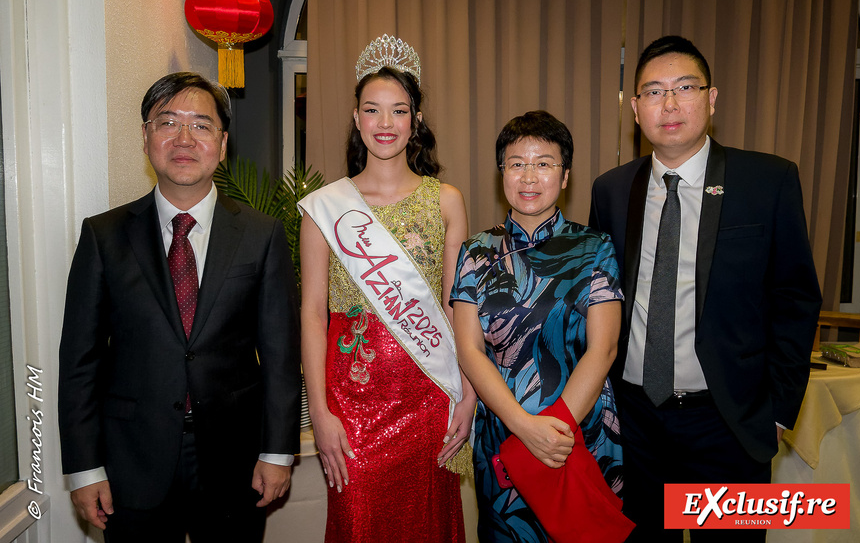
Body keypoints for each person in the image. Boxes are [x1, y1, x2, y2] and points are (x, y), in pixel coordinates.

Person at [589, 36, 822, 542]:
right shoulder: (610, 190)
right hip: (635, 423)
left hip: (728, 423)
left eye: (684, 87)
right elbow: (599, 299)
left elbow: (795, 298)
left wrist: (779, 410)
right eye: (653, 92)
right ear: (635, 109)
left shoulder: (768, 180)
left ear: (711, 98)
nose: (669, 104)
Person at [58, 72, 301, 542]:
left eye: (201, 125)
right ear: (147, 137)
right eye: (167, 122)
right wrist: (84, 469)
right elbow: (79, 362)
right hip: (131, 460)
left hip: (234, 460)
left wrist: (277, 452)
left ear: (223, 142)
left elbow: (279, 355)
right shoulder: (103, 236)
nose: (184, 138)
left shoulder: (261, 235)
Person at [298, 34, 475, 542]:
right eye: (373, 110)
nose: (385, 123)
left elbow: (454, 307)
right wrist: (322, 413)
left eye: (399, 111)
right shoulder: (324, 206)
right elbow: (313, 312)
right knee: (358, 524)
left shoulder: (446, 201)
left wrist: (465, 397)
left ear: (415, 119)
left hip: (428, 397)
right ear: (356, 117)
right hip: (352, 399)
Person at [451, 110, 625, 542]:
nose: (529, 176)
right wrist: (524, 428)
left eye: (544, 163)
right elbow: (469, 350)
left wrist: (554, 430)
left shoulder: (594, 246)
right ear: (502, 173)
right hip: (503, 436)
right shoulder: (477, 252)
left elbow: (603, 349)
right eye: (516, 163)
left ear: (564, 176)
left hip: (578, 434)